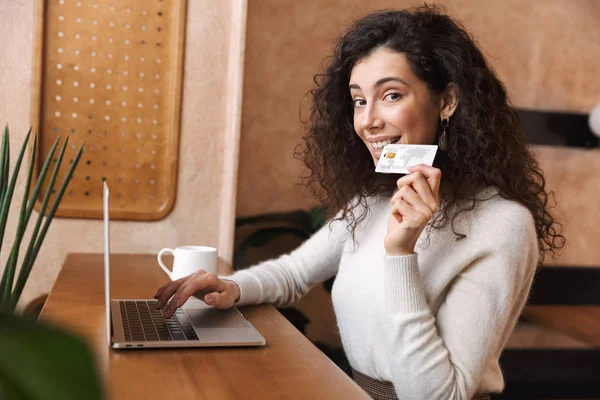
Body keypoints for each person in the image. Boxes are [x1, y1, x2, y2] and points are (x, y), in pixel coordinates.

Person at [155, 5, 564, 399]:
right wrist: (228, 287)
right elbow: (295, 272)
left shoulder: (503, 224)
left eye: (390, 95)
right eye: (358, 100)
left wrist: (400, 252)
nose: (367, 120)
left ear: (447, 102)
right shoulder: (374, 200)